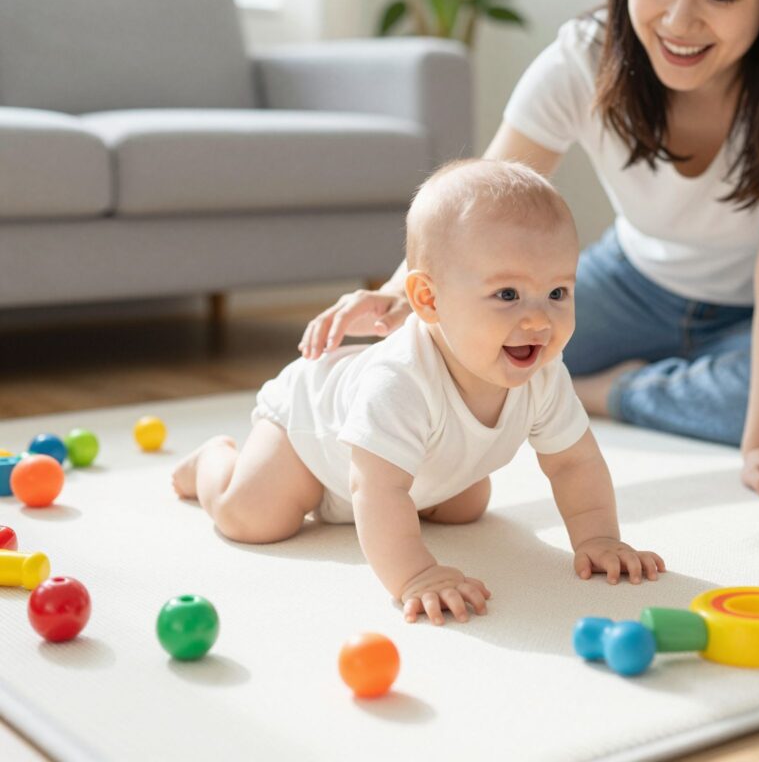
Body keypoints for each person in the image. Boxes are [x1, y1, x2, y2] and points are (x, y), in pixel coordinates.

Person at [299, 0, 759, 510]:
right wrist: (393, 294)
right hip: (635, 283)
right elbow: (471, 214)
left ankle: (613, 391)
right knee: (473, 332)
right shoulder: (584, 54)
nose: (679, 20)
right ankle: (692, 385)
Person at [173, 159, 665, 626]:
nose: (538, 320)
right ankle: (213, 461)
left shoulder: (544, 370)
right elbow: (376, 487)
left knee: (466, 506)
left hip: (408, 467)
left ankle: (425, 492)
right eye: (508, 295)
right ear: (429, 300)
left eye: (558, 293)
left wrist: (599, 537)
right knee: (254, 519)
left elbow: (573, 462)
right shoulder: (399, 380)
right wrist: (415, 574)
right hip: (312, 441)